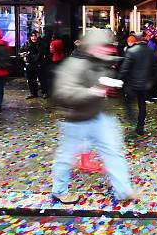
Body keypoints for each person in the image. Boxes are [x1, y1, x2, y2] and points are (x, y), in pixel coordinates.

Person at [51, 29, 135, 204]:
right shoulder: (73, 65)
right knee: (66, 156)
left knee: (113, 152)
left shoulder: (101, 62)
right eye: (103, 47)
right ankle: (59, 190)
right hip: (75, 118)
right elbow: (63, 93)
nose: (108, 50)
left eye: (108, 47)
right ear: (91, 47)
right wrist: (93, 91)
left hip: (100, 115)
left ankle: (124, 191)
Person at [117, 33, 155, 135]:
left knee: (128, 102)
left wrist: (119, 79)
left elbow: (125, 68)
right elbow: (155, 67)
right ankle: (140, 126)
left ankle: (132, 118)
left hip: (132, 83)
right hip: (145, 83)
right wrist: (152, 80)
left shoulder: (131, 51)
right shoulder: (150, 51)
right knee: (142, 105)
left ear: (135, 40)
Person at [21, 31, 49, 99]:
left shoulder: (42, 43)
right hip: (30, 64)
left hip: (40, 64)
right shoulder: (26, 43)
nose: (34, 38)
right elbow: (21, 51)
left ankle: (45, 92)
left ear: (38, 36)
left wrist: (44, 60)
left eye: (35, 36)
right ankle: (33, 93)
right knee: (31, 79)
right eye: (32, 36)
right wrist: (23, 56)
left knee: (42, 79)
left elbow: (47, 52)